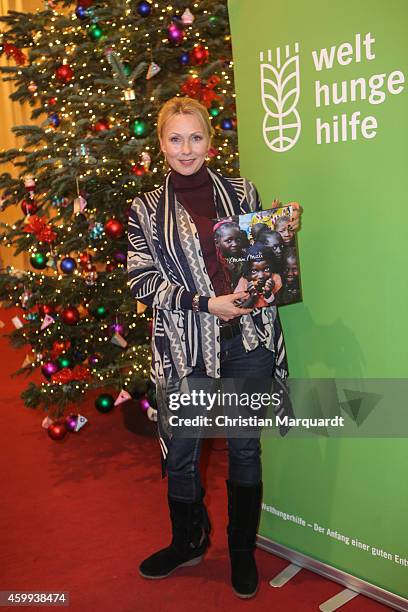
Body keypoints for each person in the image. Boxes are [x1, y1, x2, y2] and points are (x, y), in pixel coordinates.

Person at [127, 96, 294, 599]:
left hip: (247, 342)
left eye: (195, 137)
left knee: (244, 448)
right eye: (175, 138)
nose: (186, 149)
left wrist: (280, 239)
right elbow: (141, 280)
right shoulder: (145, 209)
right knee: (182, 450)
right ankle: (189, 541)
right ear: (161, 144)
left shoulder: (242, 193)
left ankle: (241, 550)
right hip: (185, 348)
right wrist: (203, 302)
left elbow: (265, 269)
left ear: (210, 141)